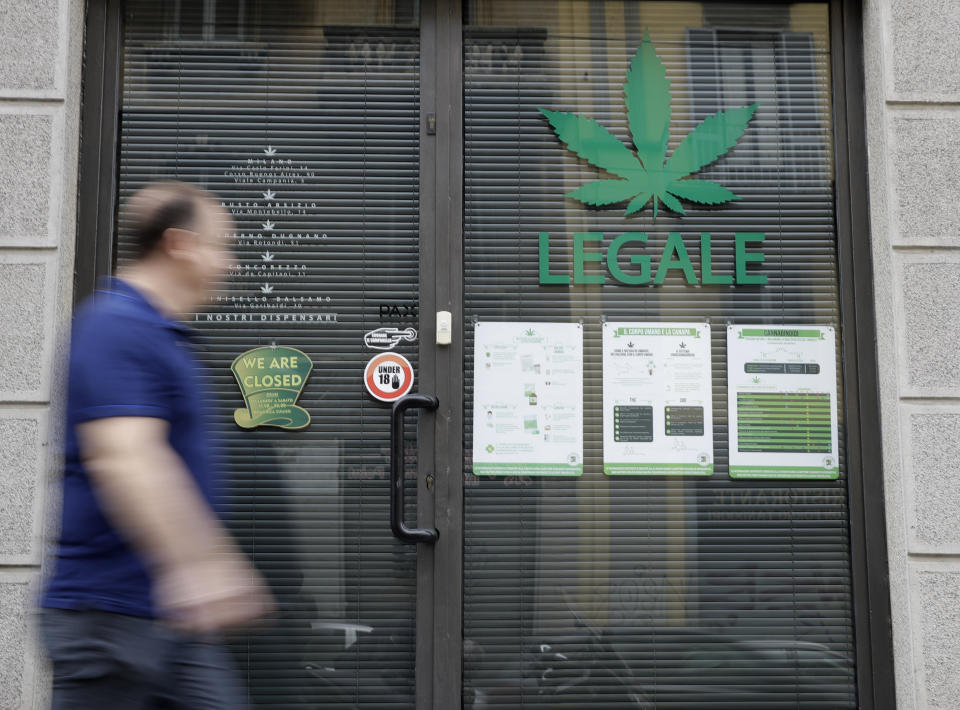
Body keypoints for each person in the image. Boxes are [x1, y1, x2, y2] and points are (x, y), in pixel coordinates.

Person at [39, 181, 272, 708]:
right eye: (221, 246)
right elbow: (126, 458)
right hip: (109, 618)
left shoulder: (158, 333)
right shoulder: (115, 327)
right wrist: (198, 566)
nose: (229, 264)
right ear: (179, 244)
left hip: (165, 614)